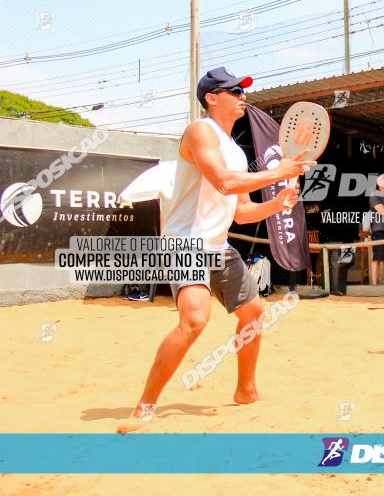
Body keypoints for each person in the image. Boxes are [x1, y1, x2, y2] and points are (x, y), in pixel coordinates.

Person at [127, 67, 311, 425]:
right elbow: (225, 184)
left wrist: (278, 202)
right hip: (186, 243)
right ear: (212, 98)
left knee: (255, 314)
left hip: (218, 244)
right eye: (234, 91)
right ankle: (146, 404)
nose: (243, 97)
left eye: (243, 91)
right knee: (195, 320)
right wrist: (279, 172)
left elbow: (241, 212)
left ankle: (245, 389)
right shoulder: (200, 131)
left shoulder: (237, 152)